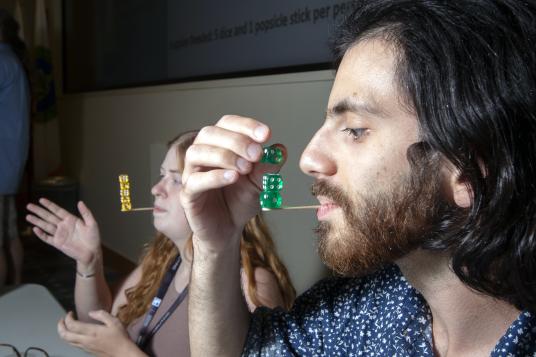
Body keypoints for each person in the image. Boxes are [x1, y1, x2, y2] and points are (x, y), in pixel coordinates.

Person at [181, 1, 536, 356]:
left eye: (354, 130)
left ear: (469, 171)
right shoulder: (363, 312)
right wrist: (217, 246)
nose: (308, 159)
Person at [25, 130, 296, 357]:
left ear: (219, 197)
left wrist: (124, 352)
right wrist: (89, 262)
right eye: (161, 175)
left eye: (176, 179)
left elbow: (113, 346)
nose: (156, 189)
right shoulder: (166, 257)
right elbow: (97, 323)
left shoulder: (252, 285)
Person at [0, 9, 30, 287]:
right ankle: (18, 285)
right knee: (10, 234)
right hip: (10, 165)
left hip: (1, 164)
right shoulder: (14, 60)